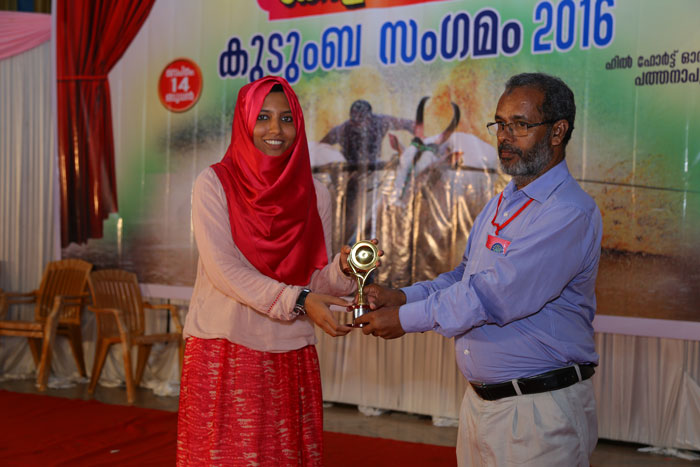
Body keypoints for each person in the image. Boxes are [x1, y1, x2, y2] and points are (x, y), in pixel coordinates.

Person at [354, 72, 603, 467]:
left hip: (538, 413)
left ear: (558, 131)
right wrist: (402, 297)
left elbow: (494, 295)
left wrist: (404, 319)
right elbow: (464, 277)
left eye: (520, 125)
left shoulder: (568, 212)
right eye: (500, 124)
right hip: (480, 406)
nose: (504, 137)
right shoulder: (502, 202)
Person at [176, 75, 358, 466]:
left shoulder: (315, 193)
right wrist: (300, 299)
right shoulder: (214, 183)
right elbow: (224, 269)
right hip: (225, 348)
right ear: (244, 122)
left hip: (289, 351)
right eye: (263, 117)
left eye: (287, 118)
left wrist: (344, 270)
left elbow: (312, 280)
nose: (276, 129)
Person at [321, 99, 414, 245]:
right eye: (355, 121)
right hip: (350, 178)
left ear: (370, 117)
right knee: (349, 216)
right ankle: (345, 247)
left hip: (374, 177)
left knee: (374, 215)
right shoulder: (343, 129)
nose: (359, 125)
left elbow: (409, 124)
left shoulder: (381, 122)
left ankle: (367, 245)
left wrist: (420, 142)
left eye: (362, 120)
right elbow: (320, 147)